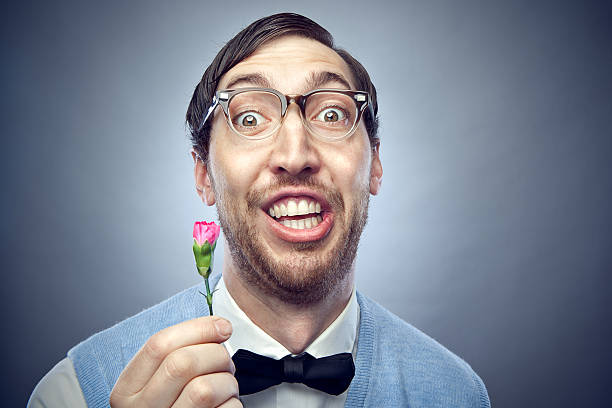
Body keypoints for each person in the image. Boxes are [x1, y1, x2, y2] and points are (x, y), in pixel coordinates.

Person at [28, 13, 490, 408]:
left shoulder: (457, 393)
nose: (295, 153)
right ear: (204, 175)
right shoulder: (73, 393)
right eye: (250, 118)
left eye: (331, 114)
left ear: (375, 165)